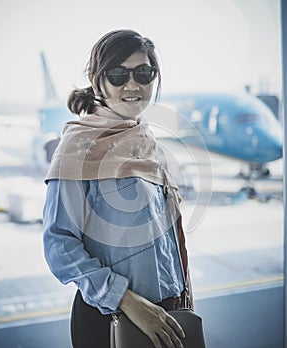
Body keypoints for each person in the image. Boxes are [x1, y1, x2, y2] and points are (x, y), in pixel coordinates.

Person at [43, 29, 193, 348]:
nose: (132, 85)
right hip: (110, 316)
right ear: (98, 80)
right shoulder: (78, 147)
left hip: (167, 313)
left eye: (143, 72)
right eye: (118, 74)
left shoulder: (147, 143)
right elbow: (59, 244)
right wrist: (126, 300)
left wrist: (181, 299)